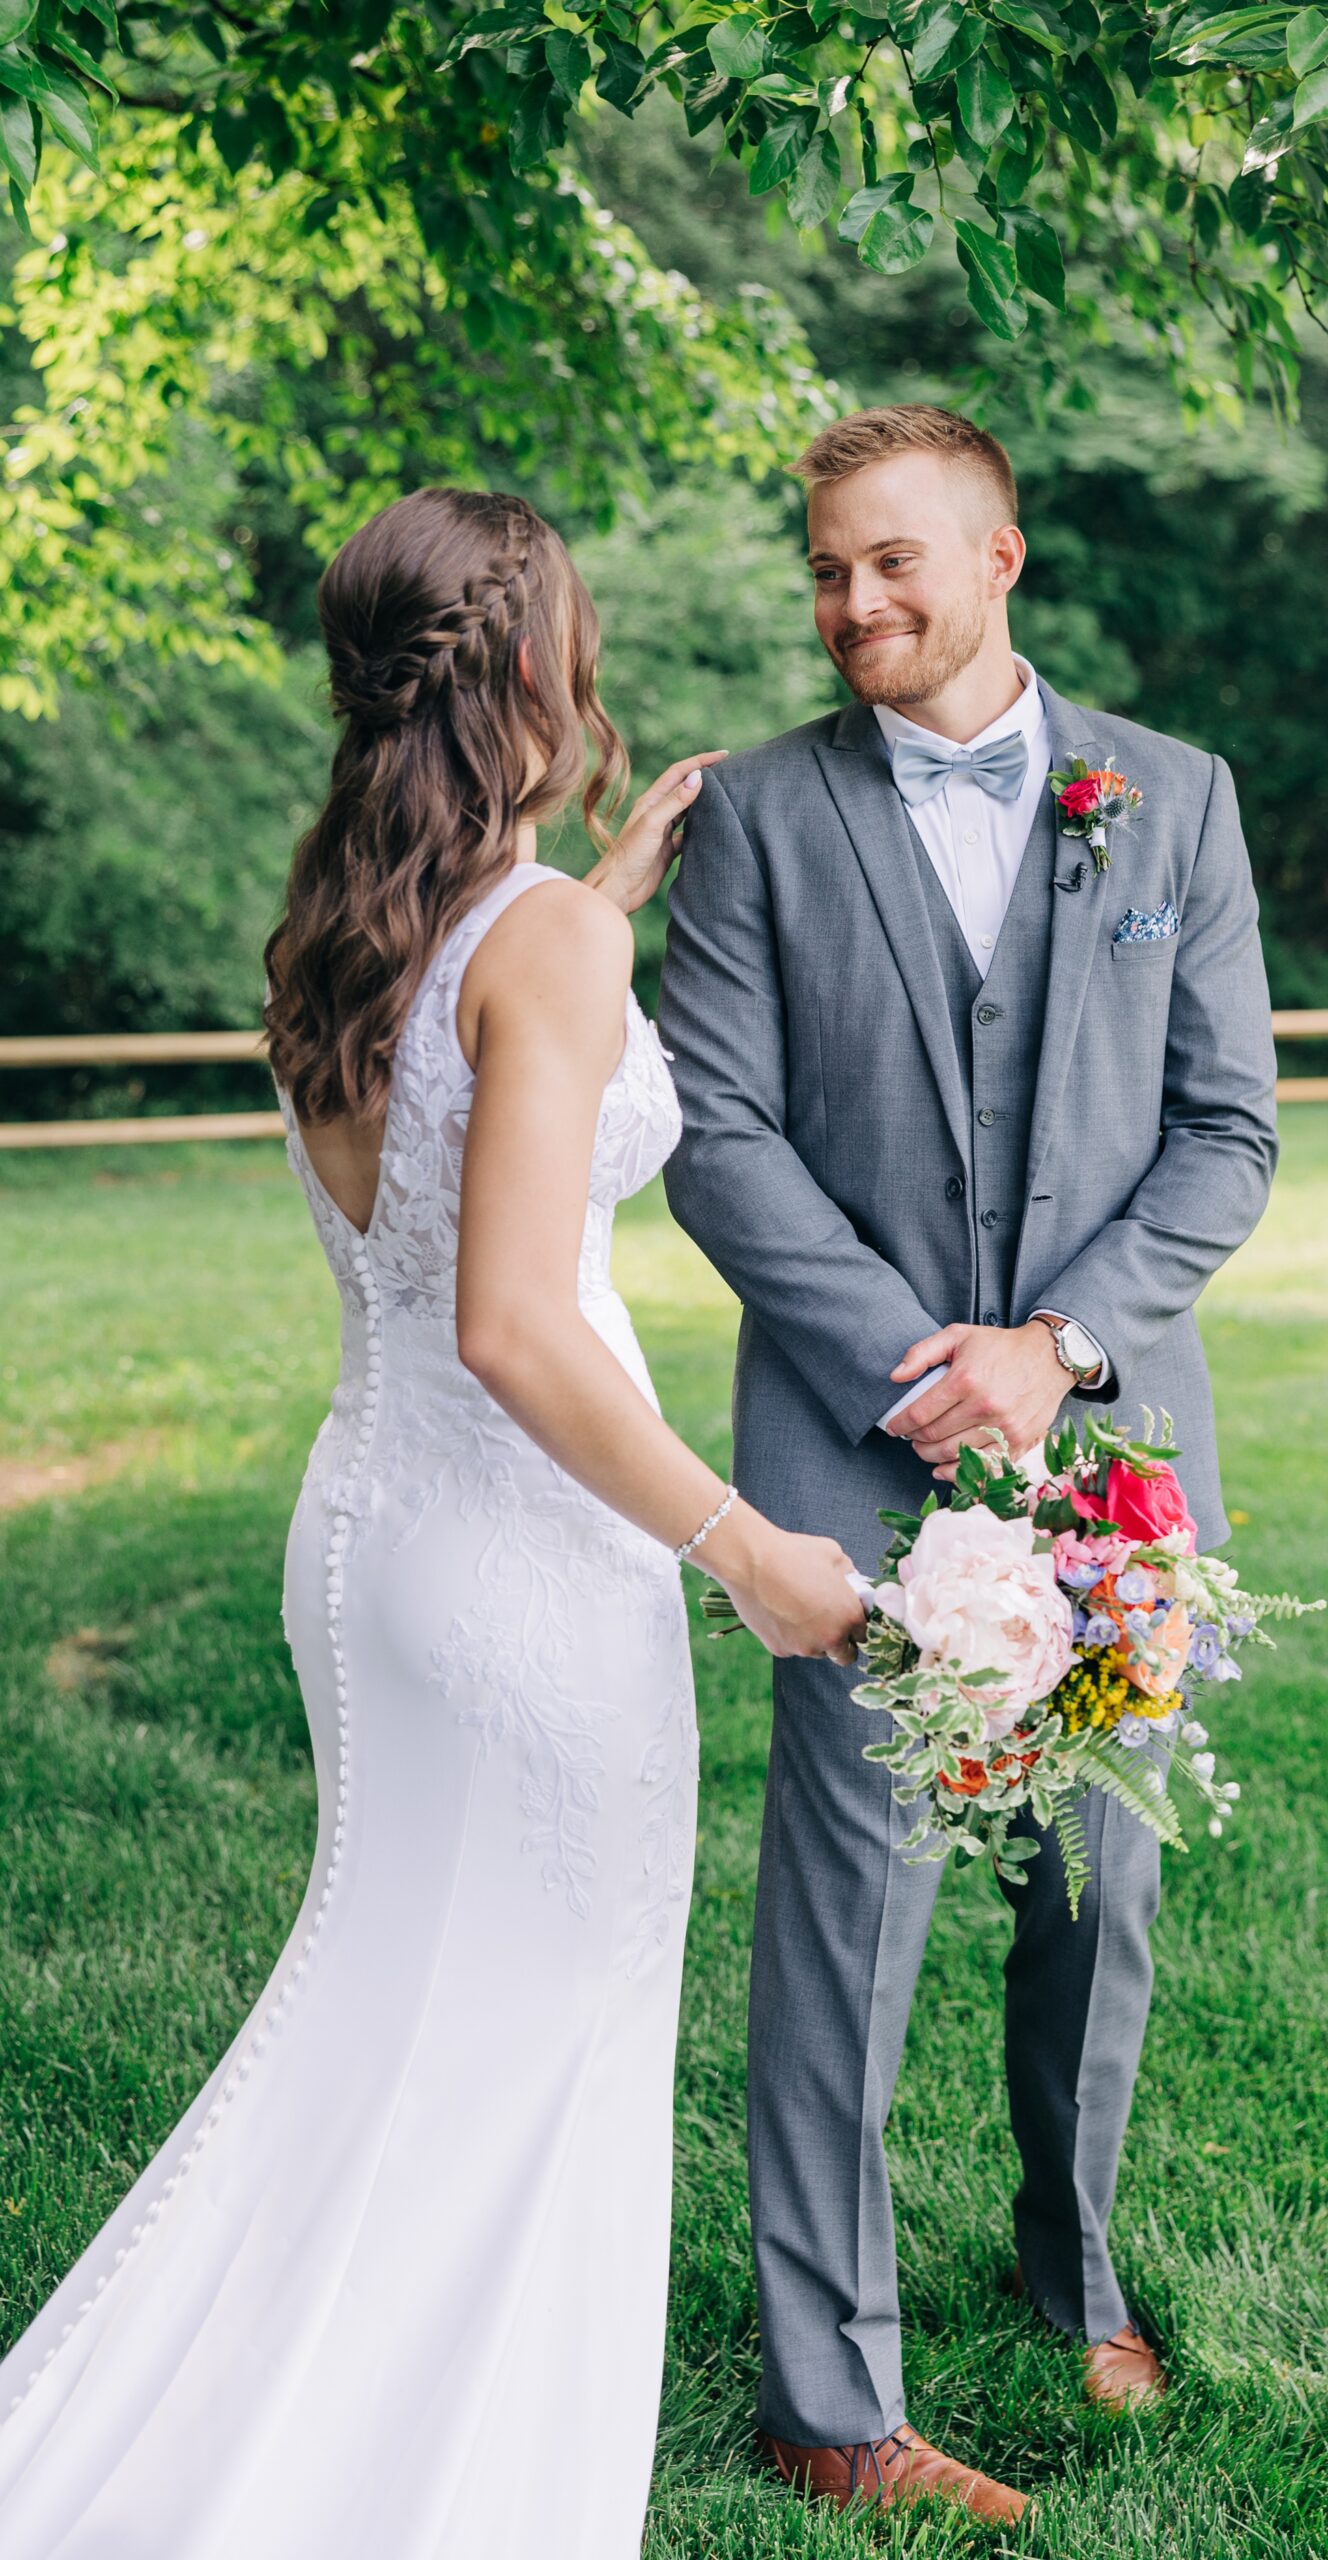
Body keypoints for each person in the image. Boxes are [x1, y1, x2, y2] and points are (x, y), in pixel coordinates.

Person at [0, 485, 865, 2559]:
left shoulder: (355, 921)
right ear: (533, 665)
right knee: (528, 2048)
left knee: (393, 2018)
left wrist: (594, 890)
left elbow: (466, 1136)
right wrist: (745, 1549)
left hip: (370, 1541)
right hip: (525, 1557)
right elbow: (508, 1318)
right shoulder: (533, 938)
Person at [660, 404, 1279, 2521]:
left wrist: (1054, 1349)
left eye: (895, 564)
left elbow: (1226, 1133)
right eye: (827, 569)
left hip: (1109, 1442)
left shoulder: (1168, 803)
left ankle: (1069, 2258)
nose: (854, 605)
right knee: (853, 1905)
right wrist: (923, 1368)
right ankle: (829, 2399)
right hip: (849, 1446)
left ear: (1001, 558)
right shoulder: (752, 817)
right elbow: (716, 1139)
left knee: (1091, 1894)